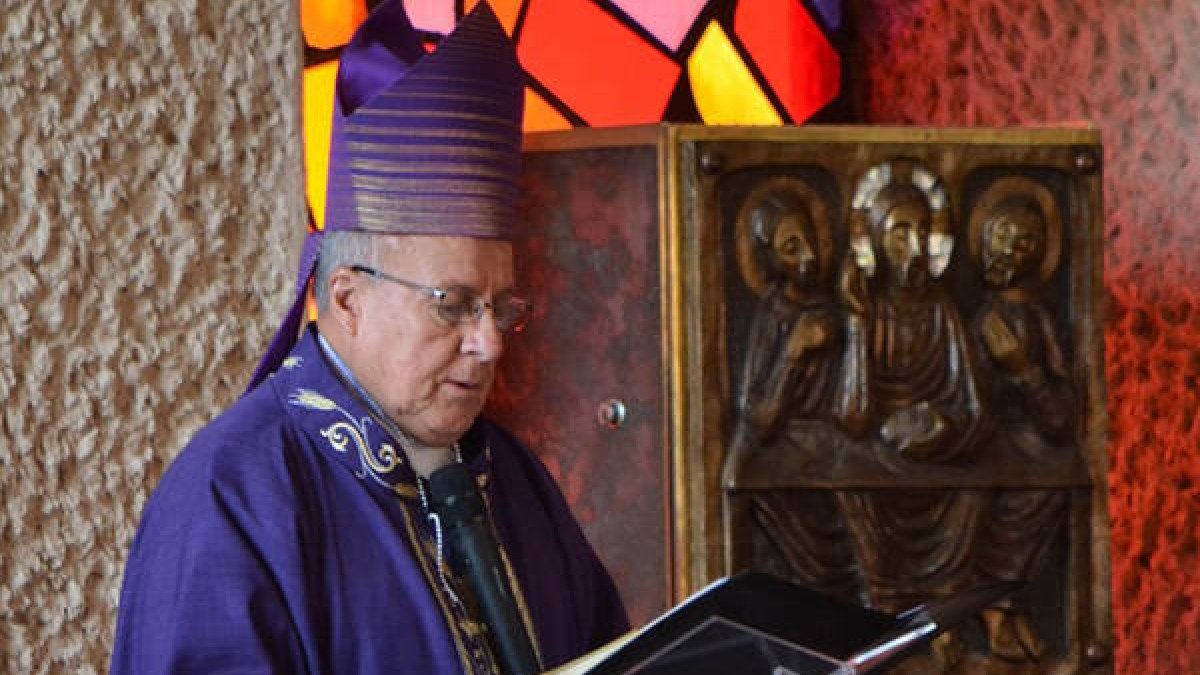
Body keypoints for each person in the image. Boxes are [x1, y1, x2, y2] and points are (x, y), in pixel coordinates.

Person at [110, 3, 628, 673]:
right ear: (349, 298)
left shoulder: (519, 484)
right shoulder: (231, 500)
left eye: (500, 307)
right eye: (454, 304)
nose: (489, 343)